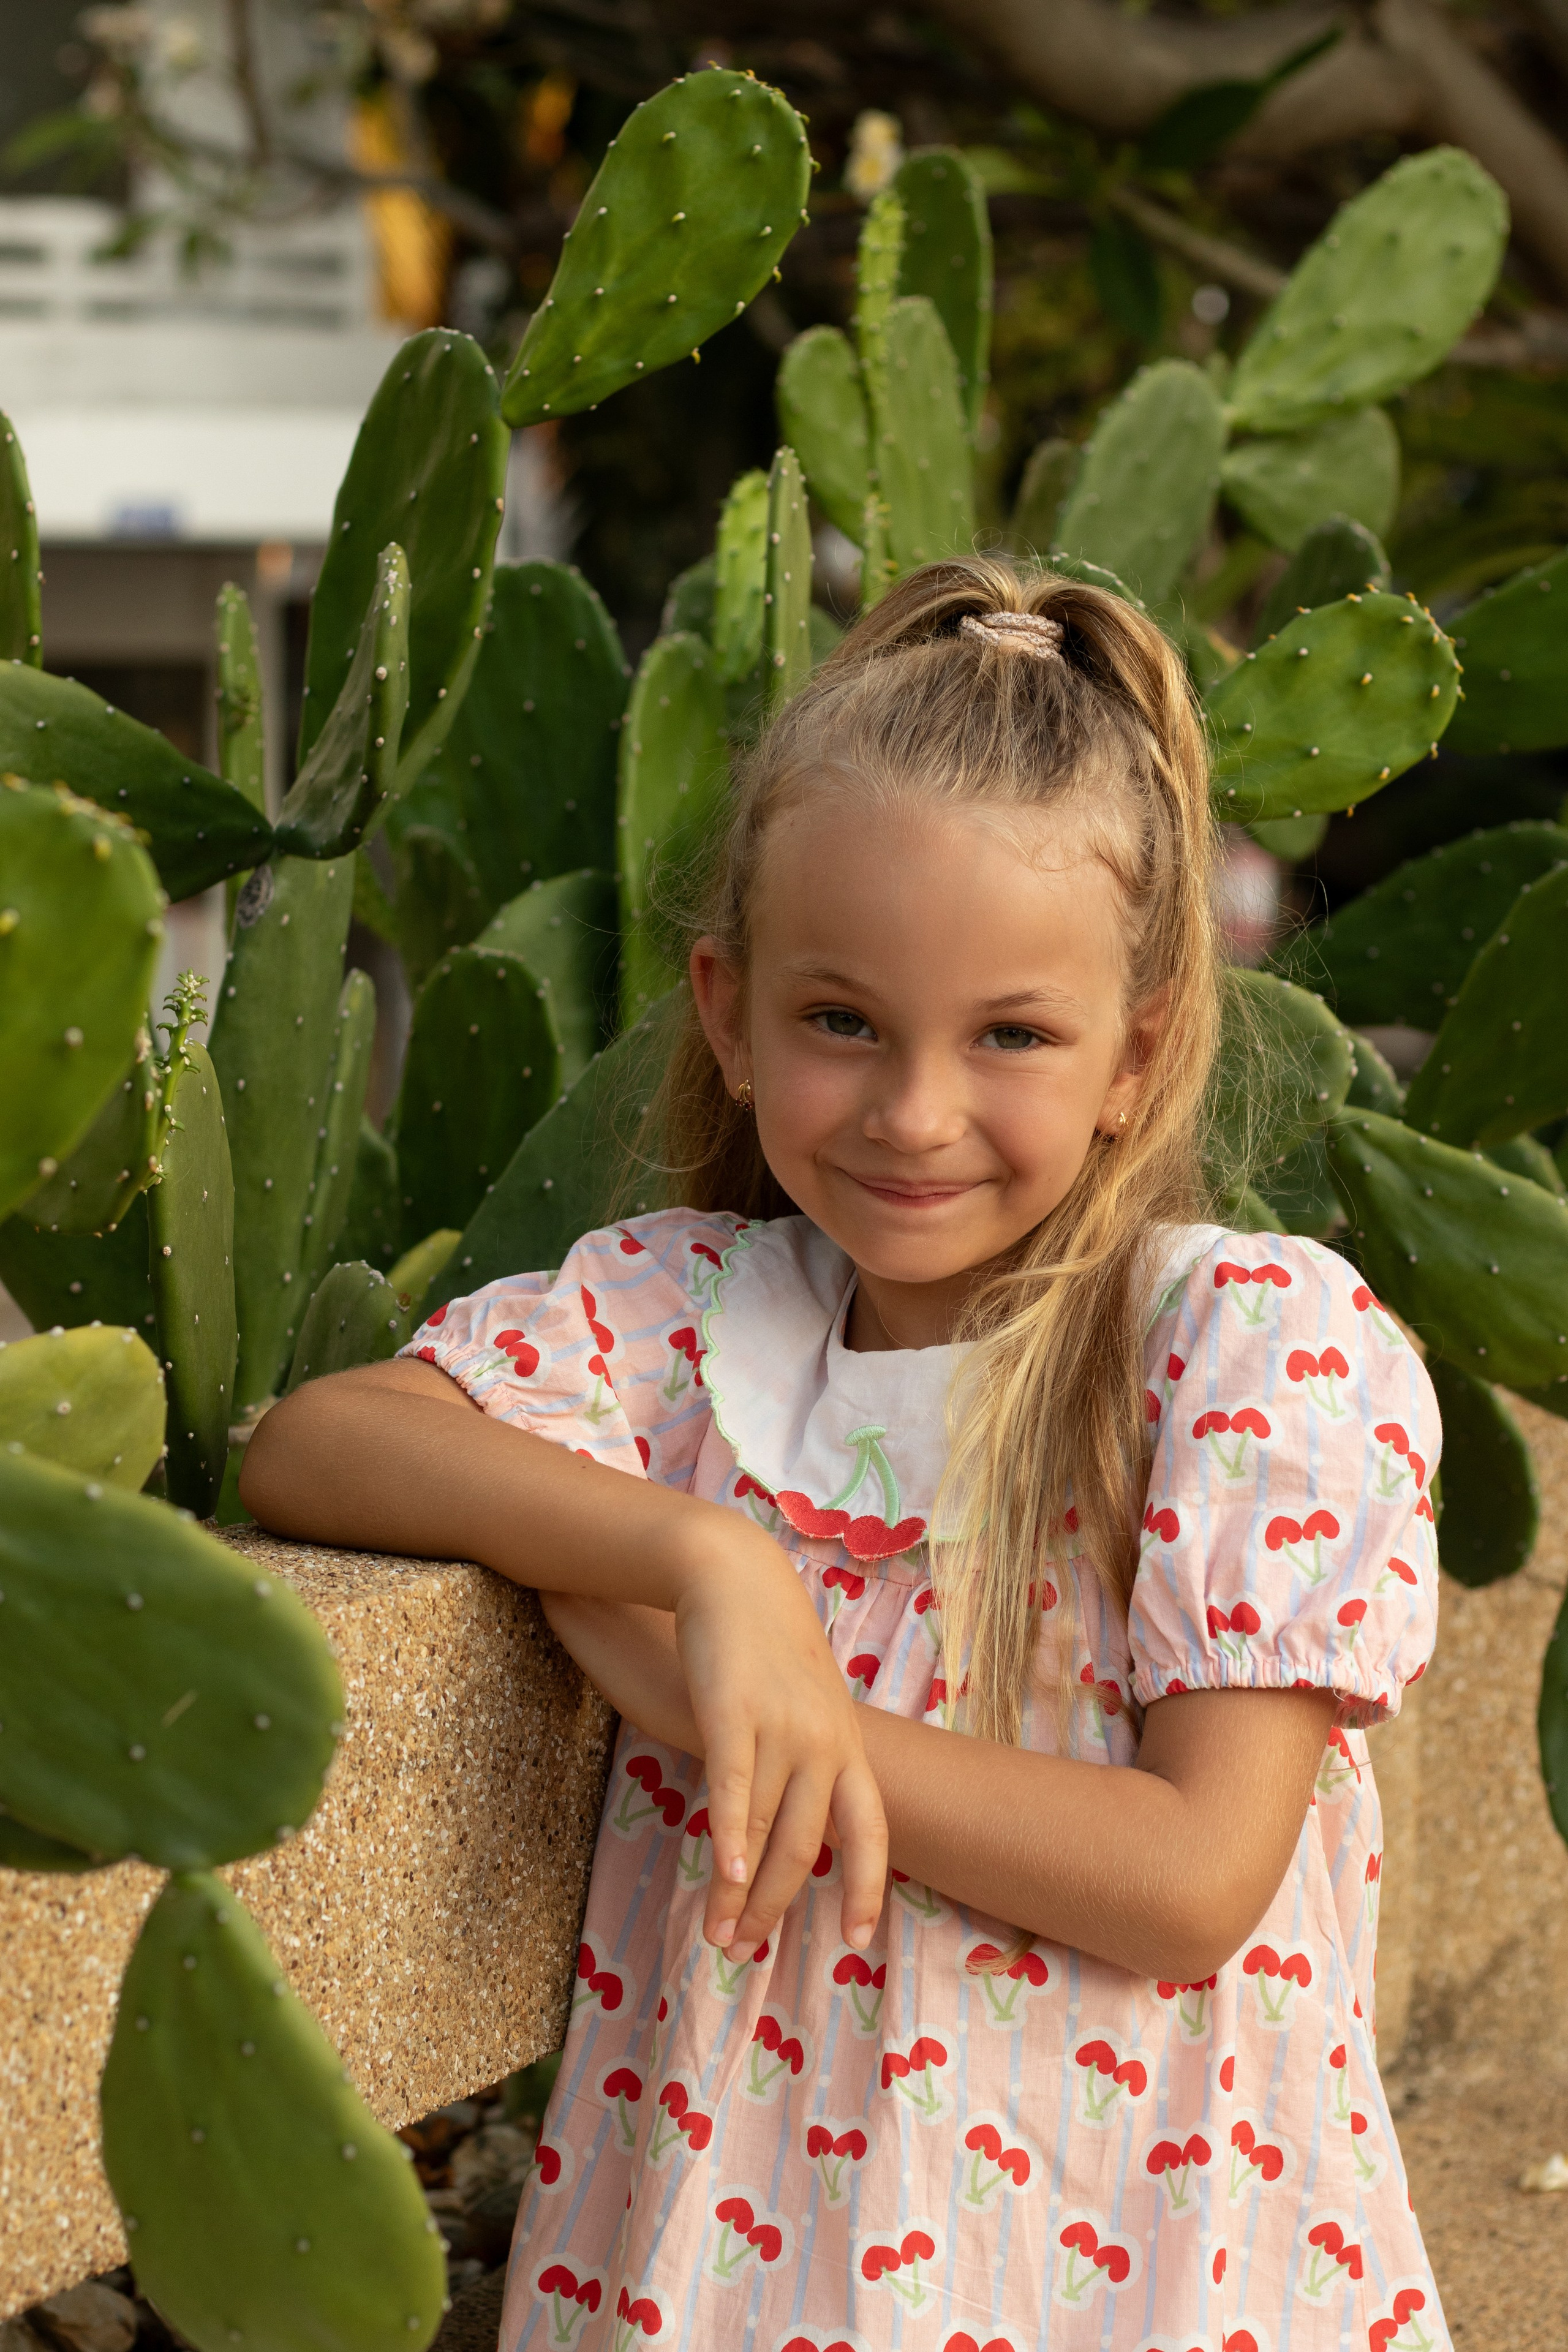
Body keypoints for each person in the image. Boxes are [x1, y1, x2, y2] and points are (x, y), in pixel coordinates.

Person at [242, 558, 1445, 2351]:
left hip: (1142, 2284)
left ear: (1146, 1044)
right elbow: (317, 1446)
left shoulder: (1242, 1348)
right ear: (727, 1011)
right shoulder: (690, 1319)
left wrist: (759, 1710)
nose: (914, 1112)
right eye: (841, 1023)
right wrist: (703, 1568)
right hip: (729, 2272)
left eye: (1013, 1037)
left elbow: (1195, 1878)